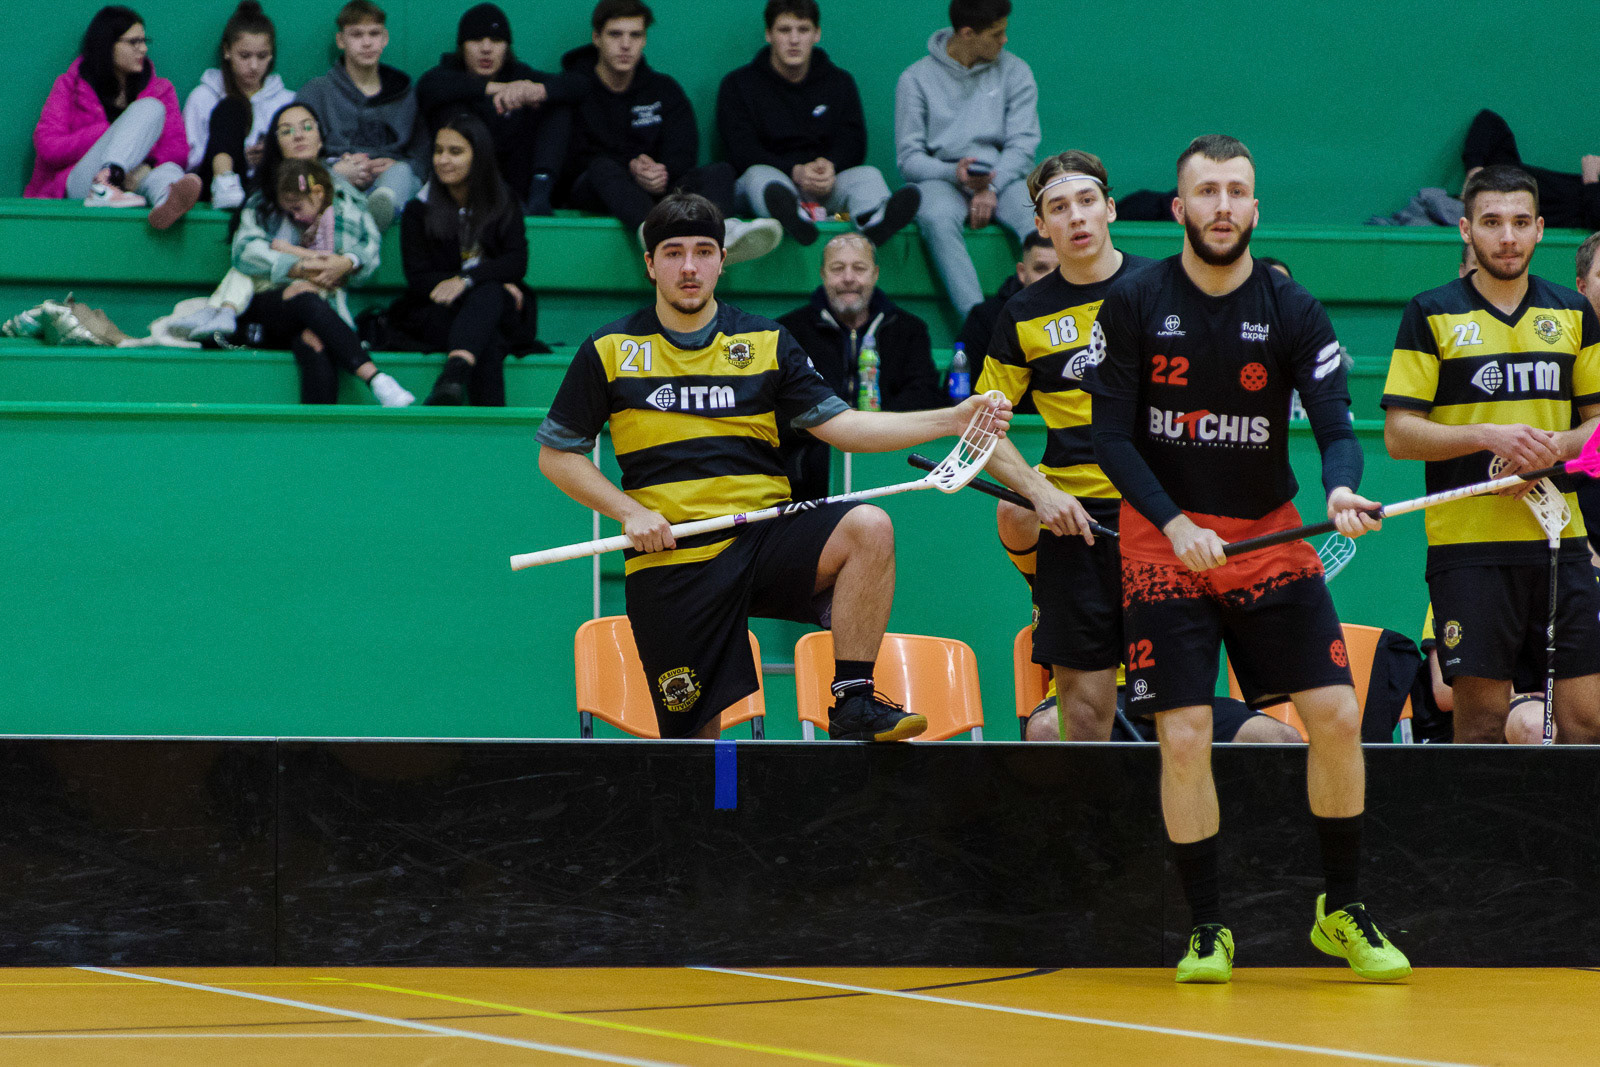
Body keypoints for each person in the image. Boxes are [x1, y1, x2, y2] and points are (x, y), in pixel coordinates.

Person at [1088, 135, 1410, 984]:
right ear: (1179, 207)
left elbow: (1337, 426)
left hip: (1268, 538)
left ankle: (1341, 910)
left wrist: (1341, 490)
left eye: (1237, 191)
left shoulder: (1293, 307)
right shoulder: (1134, 302)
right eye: (1207, 191)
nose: (1223, 205)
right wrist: (1173, 522)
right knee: (1185, 732)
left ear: (1256, 208)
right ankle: (1207, 927)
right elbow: (1110, 438)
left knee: (1336, 715)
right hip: (1166, 545)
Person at [536, 191, 1011, 741]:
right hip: (672, 557)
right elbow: (557, 454)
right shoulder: (610, 348)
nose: (689, 267)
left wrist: (951, 418)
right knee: (693, 746)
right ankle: (707, 791)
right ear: (650, 264)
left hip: (763, 536)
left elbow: (844, 427)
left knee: (868, 526)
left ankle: (853, 701)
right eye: (672, 253)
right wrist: (628, 512)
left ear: (722, 260)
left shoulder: (766, 341)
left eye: (703, 251)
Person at [1382, 164, 1600, 745]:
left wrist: (1552, 449)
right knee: (1479, 723)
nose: (1507, 237)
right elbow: (1400, 434)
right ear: (1465, 229)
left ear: (1540, 229)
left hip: (1560, 542)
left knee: (1586, 723)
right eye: (1492, 222)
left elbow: (1598, 424)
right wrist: (1488, 436)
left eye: (1521, 222)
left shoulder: (1573, 313)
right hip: (1468, 548)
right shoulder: (1430, 312)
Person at [978, 151, 1156, 742]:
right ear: (1041, 224)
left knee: (1174, 708)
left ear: (1110, 209)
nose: (1075, 217)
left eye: (1086, 202)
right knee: (1080, 719)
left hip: (1161, 519)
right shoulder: (1022, 314)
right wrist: (1039, 491)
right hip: (1074, 527)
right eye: (1058, 207)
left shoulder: (1165, 288)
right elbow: (981, 429)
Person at [559, 0, 780, 264]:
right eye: (615, 34)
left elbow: (684, 151)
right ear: (597, 38)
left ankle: (722, 232)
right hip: (599, 190)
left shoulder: (664, 89)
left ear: (644, 40)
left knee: (719, 171)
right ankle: (651, 233)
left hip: (659, 191)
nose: (625, 45)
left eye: (635, 35)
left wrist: (662, 171)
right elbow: (570, 159)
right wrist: (631, 167)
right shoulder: (576, 89)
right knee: (601, 168)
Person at [717, 0, 919, 248]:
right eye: (784, 30)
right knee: (758, 176)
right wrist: (795, 171)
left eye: (803, 30)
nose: (794, 40)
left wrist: (830, 166)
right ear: (769, 35)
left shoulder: (839, 82)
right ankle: (795, 218)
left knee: (869, 175)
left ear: (816, 34)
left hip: (826, 188)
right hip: (771, 183)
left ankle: (873, 220)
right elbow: (741, 151)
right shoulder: (738, 85)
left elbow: (854, 142)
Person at [894, 0, 1039, 320]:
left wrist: (991, 186)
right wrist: (954, 173)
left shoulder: (1016, 71)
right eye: (996, 34)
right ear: (967, 34)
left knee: (1040, 220)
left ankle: (1047, 319)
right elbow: (909, 159)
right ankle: (977, 324)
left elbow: (1023, 145)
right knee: (936, 217)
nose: (1004, 40)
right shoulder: (915, 79)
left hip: (1003, 176)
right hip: (942, 178)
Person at [231, 155, 411, 406]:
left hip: (324, 308)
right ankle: (375, 377)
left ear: (317, 194)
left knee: (314, 340)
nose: (294, 216)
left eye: (297, 208)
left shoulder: (348, 205)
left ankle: (319, 429)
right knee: (302, 292)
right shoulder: (262, 202)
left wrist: (347, 262)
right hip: (267, 301)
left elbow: (369, 249)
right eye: (288, 210)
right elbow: (243, 251)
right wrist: (299, 268)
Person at [776, 232, 943, 499]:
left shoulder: (909, 330)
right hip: (812, 469)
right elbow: (783, 408)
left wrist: (871, 429)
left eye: (859, 268)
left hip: (892, 452)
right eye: (837, 268)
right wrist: (838, 430)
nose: (848, 278)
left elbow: (924, 395)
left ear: (875, 274)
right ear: (823, 274)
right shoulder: (789, 331)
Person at [393, 114, 532, 406]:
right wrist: (486, 281)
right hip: (439, 309)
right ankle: (480, 409)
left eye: (455, 152)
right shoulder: (418, 209)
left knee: (488, 295)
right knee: (488, 337)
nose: (443, 160)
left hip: (497, 308)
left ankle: (453, 378)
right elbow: (418, 277)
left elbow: (517, 261)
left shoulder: (503, 200)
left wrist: (467, 280)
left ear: (478, 156)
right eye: (438, 151)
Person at [27, 5, 201, 229]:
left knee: (169, 170)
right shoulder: (69, 85)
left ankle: (165, 202)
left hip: (133, 184)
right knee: (149, 107)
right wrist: (107, 132)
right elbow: (48, 146)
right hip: (83, 184)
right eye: (134, 42)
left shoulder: (160, 89)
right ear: (108, 44)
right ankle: (109, 178)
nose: (143, 49)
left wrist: (144, 167)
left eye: (144, 41)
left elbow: (176, 150)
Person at [415, 3, 575, 216]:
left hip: (520, 183)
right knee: (450, 107)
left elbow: (579, 85)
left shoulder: (519, 74)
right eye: (476, 40)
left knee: (557, 103)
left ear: (507, 47)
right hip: (472, 186)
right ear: (462, 46)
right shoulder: (445, 75)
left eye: (496, 41)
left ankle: (540, 193)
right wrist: (499, 89)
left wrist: (537, 91)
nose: (486, 49)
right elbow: (429, 86)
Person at [295, 0, 428, 231]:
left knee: (403, 173)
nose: (367, 43)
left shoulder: (407, 95)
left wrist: (397, 165)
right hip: (336, 178)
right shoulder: (316, 92)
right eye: (357, 34)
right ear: (341, 40)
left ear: (385, 38)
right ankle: (358, 216)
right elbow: (296, 153)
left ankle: (378, 211)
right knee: (315, 179)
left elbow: (423, 156)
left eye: (374, 33)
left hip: (392, 183)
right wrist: (337, 170)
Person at [182, 1, 294, 210]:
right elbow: (190, 161)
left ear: (271, 55)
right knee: (231, 107)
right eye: (245, 56)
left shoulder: (286, 101)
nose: (254, 66)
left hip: (267, 186)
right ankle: (225, 182)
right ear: (227, 51)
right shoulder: (203, 96)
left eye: (262, 56)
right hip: (210, 186)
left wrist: (270, 154)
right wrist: (238, 156)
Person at [1462, 109, 1600, 231]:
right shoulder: (1508, 173)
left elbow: (1595, 220)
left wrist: (1591, 181)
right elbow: (1489, 120)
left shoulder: (1579, 205)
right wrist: (1474, 171)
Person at [952, 231, 1055, 393]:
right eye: (1040, 268)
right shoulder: (985, 318)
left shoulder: (1091, 314)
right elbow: (965, 394)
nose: (1051, 278)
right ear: (1022, 272)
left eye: (1061, 269)